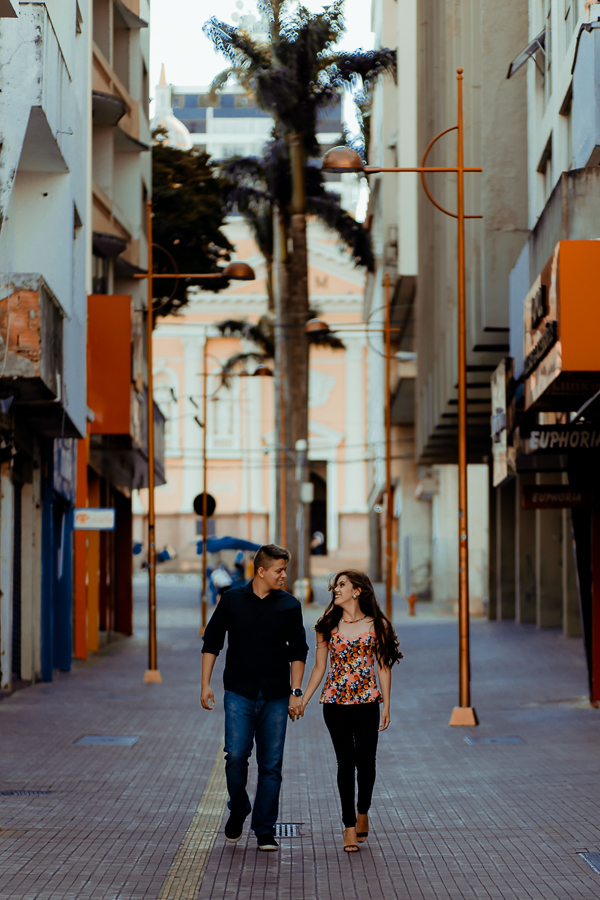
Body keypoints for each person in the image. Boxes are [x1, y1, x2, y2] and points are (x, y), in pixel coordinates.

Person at [201, 543, 308, 852]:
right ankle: (238, 806)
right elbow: (212, 642)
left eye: (285, 570)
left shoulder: (290, 606)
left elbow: (298, 651)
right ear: (261, 571)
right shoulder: (232, 600)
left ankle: (264, 829)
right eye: (279, 570)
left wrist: (296, 691)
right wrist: (205, 684)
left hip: (276, 695)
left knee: (271, 766)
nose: (283, 576)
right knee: (235, 755)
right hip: (239, 692)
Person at [301, 570, 402, 852]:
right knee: (345, 763)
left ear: (357, 591)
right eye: (336, 585)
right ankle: (348, 827)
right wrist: (304, 700)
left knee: (366, 762)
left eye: (342, 585)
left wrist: (387, 705)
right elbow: (319, 667)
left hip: (368, 703)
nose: (336, 589)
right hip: (335, 705)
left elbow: (383, 665)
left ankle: (362, 811)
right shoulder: (327, 625)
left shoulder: (377, 625)